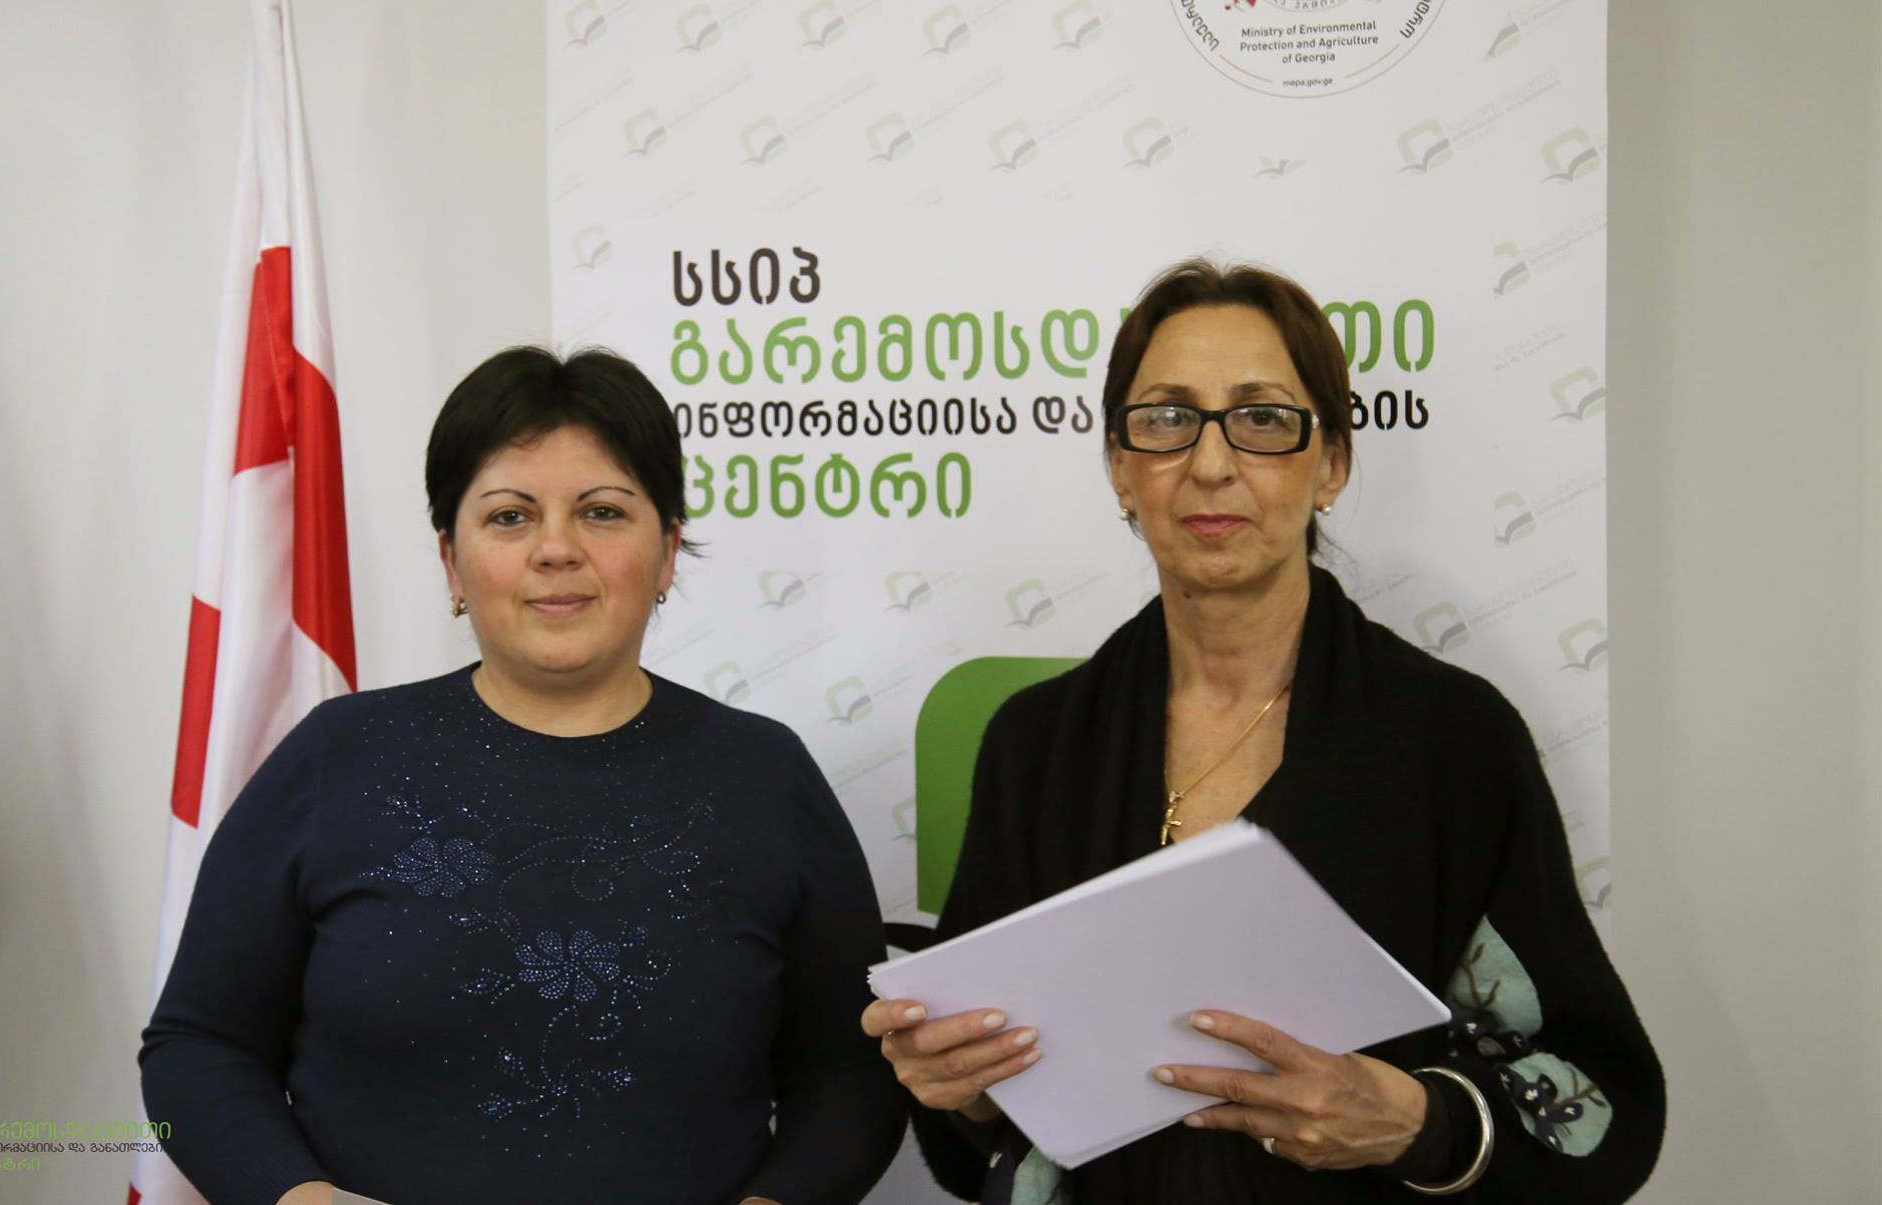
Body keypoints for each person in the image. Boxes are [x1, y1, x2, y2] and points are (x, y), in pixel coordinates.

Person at [863, 261, 1664, 1202]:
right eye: (1167, 418)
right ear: (1120, 468)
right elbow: (980, 1128)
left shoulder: (1452, 739)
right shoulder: (1037, 744)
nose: (1210, 463)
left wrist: (1421, 1123)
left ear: (1332, 464)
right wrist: (959, 1085)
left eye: (1263, 418)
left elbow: (1606, 1104)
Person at [142, 346, 905, 1205]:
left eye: (603, 512)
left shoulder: (766, 775)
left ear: (667, 553)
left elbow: (852, 1072)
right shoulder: (338, 756)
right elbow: (199, 1047)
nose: (556, 549)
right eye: (510, 516)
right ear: (451, 560)